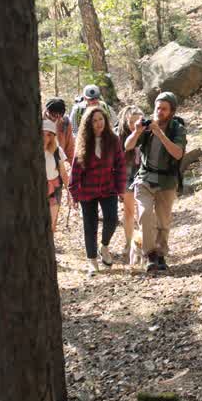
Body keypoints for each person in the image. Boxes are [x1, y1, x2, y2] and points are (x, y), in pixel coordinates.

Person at [124, 91, 186, 273]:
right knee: (144, 215)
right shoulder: (148, 127)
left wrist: (160, 134)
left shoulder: (177, 129)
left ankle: (160, 255)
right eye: (157, 108)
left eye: (164, 109)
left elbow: (177, 153)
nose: (159, 112)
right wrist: (136, 132)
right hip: (145, 178)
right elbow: (127, 146)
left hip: (167, 181)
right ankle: (149, 254)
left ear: (172, 111)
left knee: (163, 221)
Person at [69, 105, 126, 276]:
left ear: (106, 121)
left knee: (112, 219)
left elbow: (120, 166)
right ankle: (92, 261)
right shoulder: (83, 141)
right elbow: (75, 170)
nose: (98, 123)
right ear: (89, 124)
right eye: (94, 121)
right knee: (90, 225)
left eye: (101, 119)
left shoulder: (113, 140)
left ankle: (105, 246)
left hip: (108, 188)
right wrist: (74, 193)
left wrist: (120, 188)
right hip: (88, 190)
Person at [115, 105, 146, 265]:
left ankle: (142, 245)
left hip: (143, 173)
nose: (135, 124)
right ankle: (128, 243)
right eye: (132, 121)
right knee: (129, 212)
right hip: (126, 174)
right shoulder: (119, 136)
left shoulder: (147, 131)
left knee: (143, 211)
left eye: (138, 121)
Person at [43, 119, 70, 240]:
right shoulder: (31, 151)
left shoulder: (57, 151)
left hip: (54, 190)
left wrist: (70, 191)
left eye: (49, 135)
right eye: (42, 134)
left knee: (51, 223)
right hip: (36, 189)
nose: (45, 137)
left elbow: (63, 173)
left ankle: (49, 249)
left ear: (52, 137)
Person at [44, 97, 75, 164]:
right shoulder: (38, 122)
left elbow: (70, 149)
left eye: (59, 115)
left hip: (60, 164)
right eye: (53, 115)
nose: (55, 118)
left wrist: (71, 167)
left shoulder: (65, 123)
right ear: (47, 111)